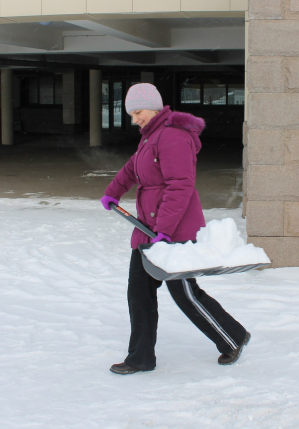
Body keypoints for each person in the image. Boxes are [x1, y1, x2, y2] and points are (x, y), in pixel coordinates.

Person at [100, 83, 250, 375]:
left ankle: (233, 336)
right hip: (149, 229)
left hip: (173, 232)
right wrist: (112, 192)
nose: (135, 119)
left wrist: (165, 231)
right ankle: (140, 357)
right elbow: (133, 167)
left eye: (138, 112)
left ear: (153, 107)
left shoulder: (173, 136)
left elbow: (180, 186)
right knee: (139, 293)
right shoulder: (151, 136)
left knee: (185, 294)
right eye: (131, 114)